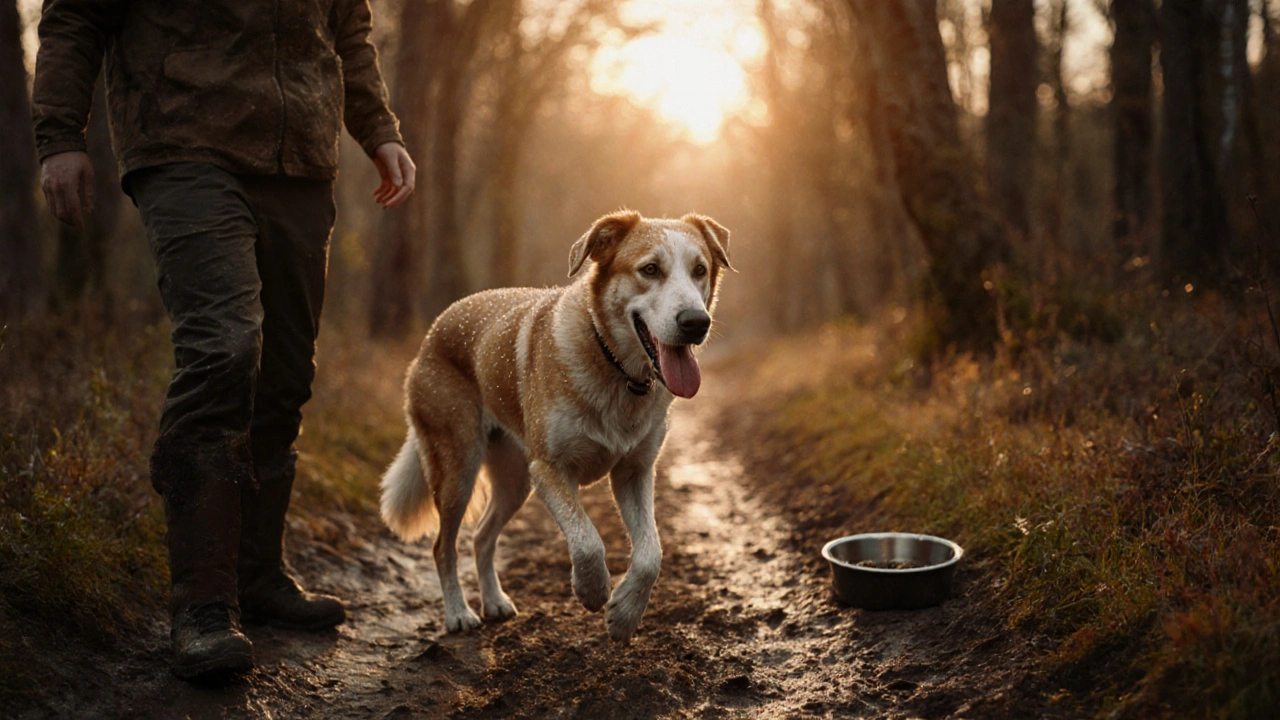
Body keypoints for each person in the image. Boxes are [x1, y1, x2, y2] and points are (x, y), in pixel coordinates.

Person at [31, 0, 415, 679]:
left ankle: (257, 578)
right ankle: (202, 607)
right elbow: (75, 16)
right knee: (224, 348)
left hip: (299, 158)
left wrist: (378, 129)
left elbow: (349, 28)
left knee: (287, 372)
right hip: (184, 143)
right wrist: (60, 134)